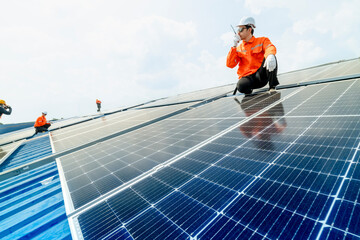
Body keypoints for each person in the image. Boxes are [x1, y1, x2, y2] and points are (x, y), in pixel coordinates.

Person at [227, 16, 279, 95]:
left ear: (249, 29)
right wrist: (234, 46)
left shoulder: (262, 40)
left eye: (241, 29)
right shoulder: (238, 48)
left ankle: (272, 87)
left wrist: (270, 55)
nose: (238, 33)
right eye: (238, 30)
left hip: (261, 75)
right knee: (241, 86)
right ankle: (249, 92)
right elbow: (230, 64)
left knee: (270, 56)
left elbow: (269, 47)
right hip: (249, 79)